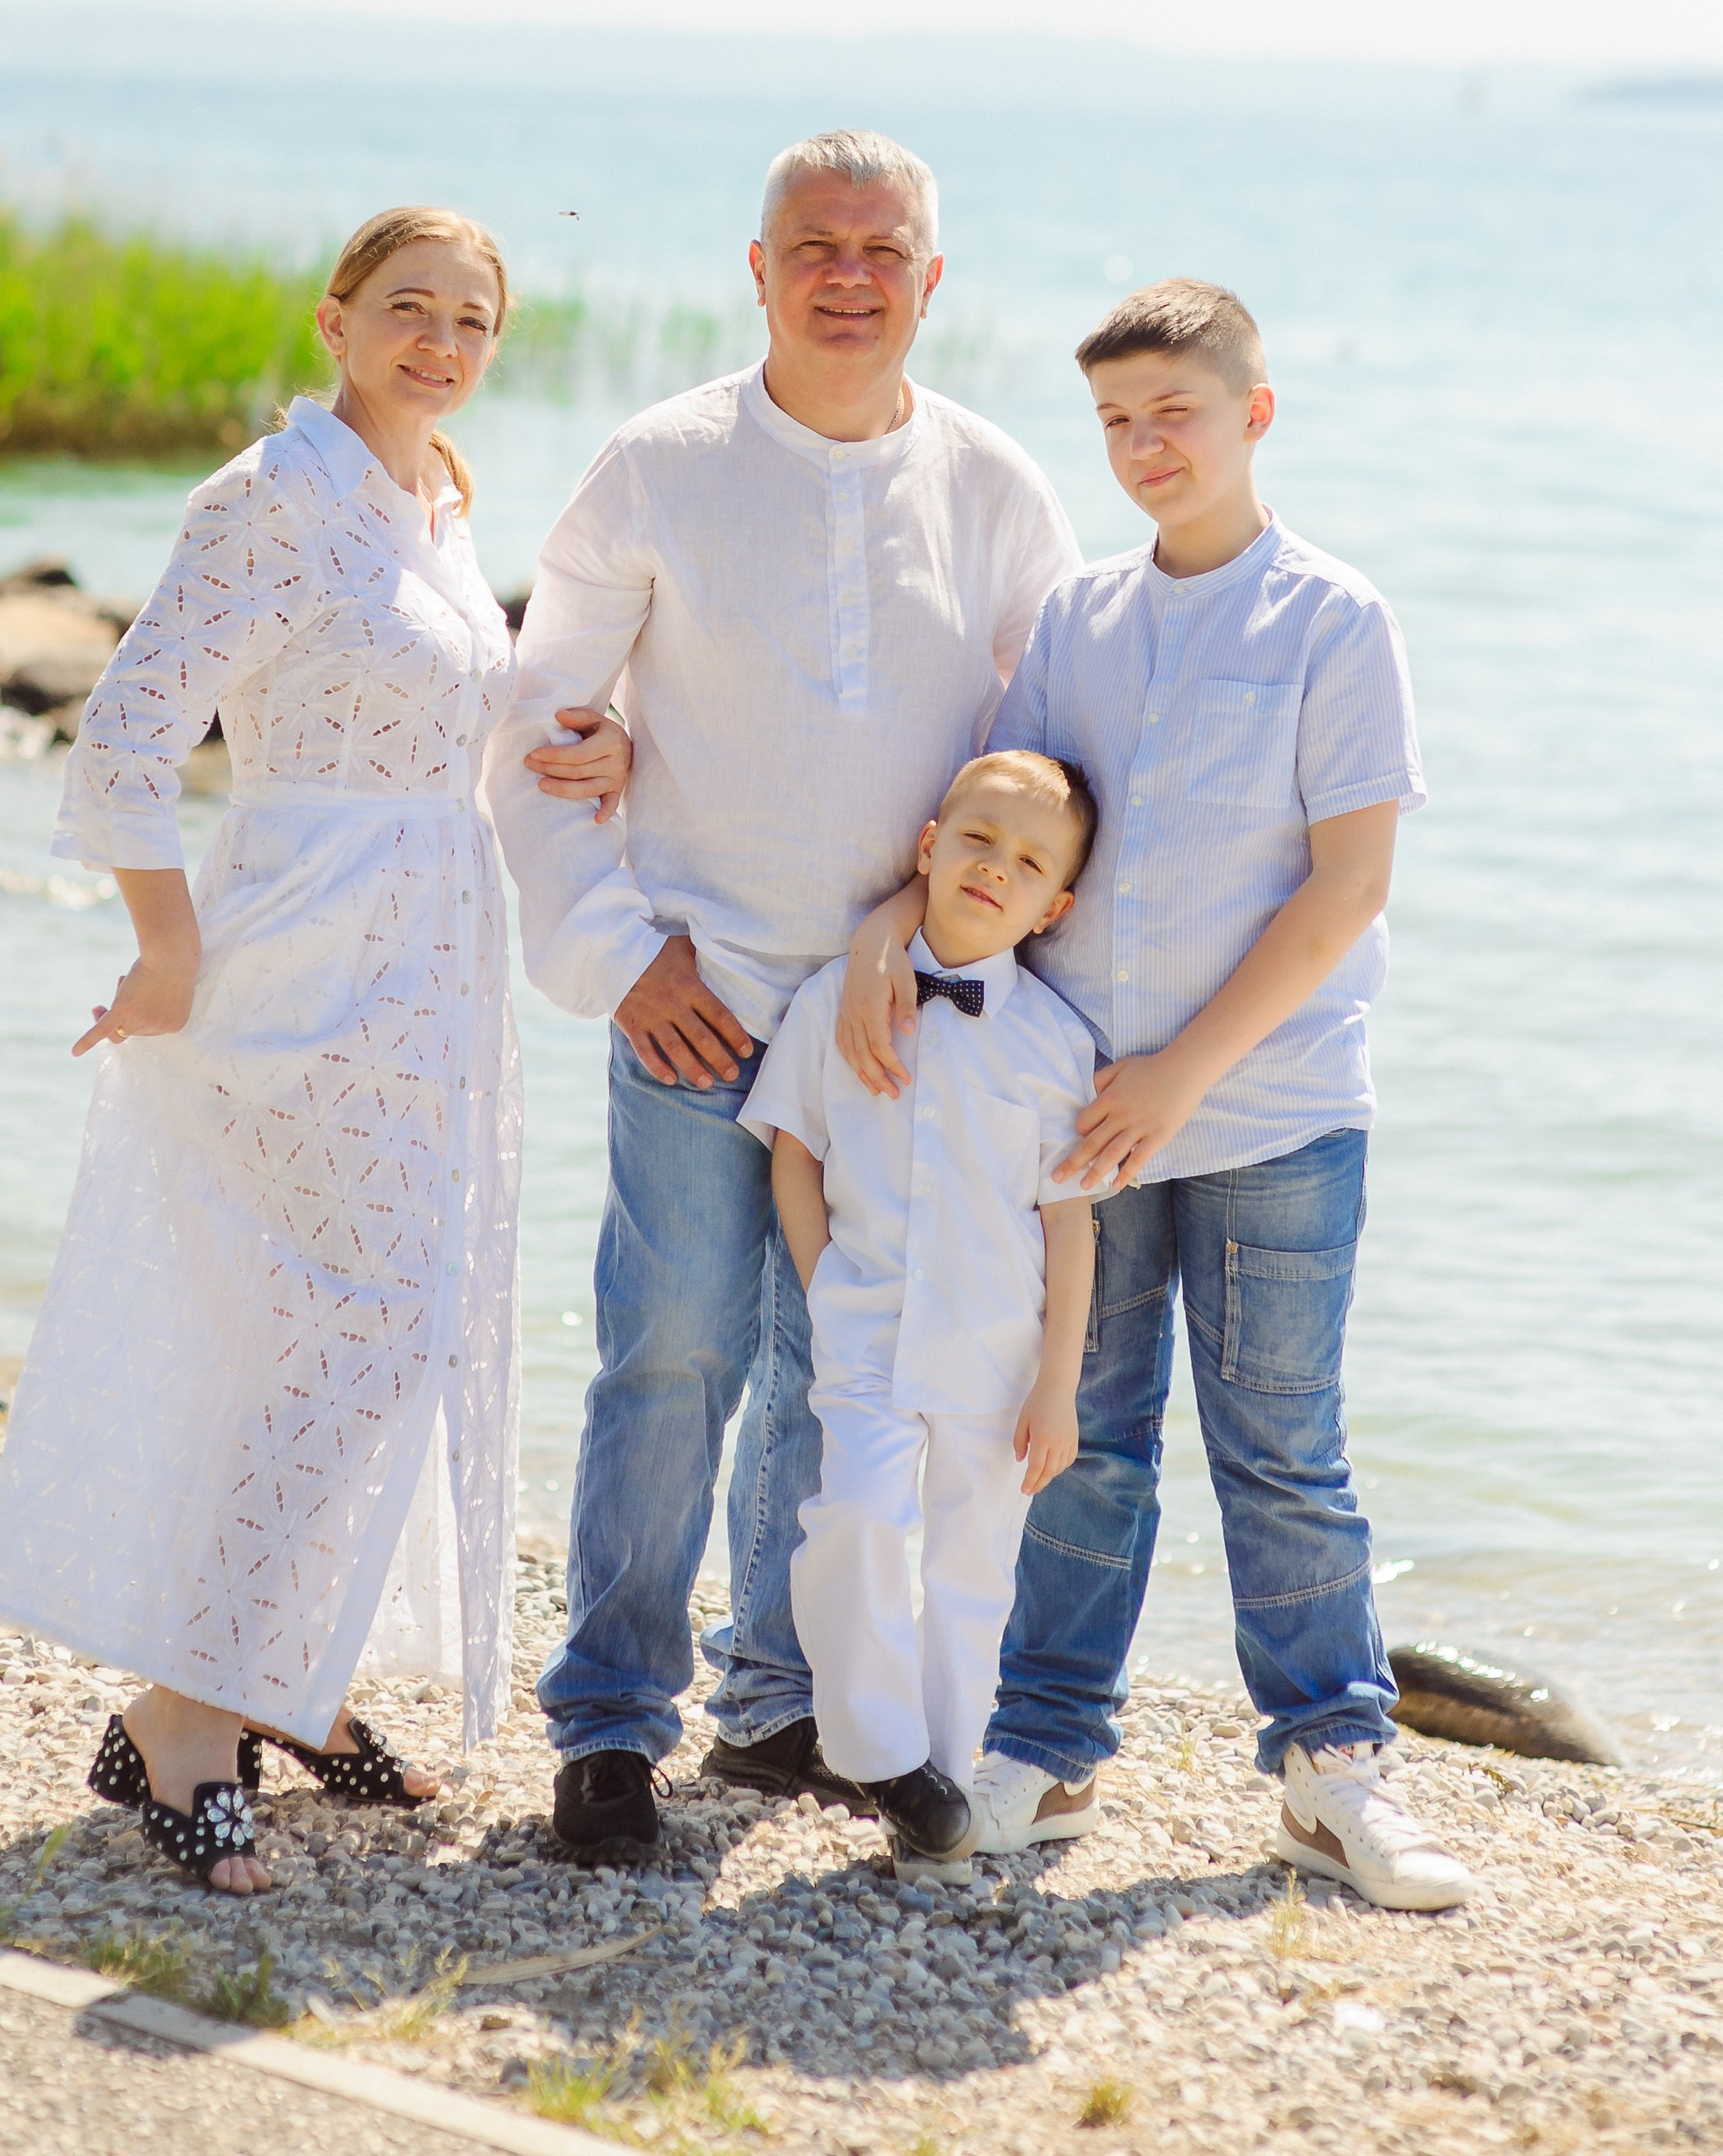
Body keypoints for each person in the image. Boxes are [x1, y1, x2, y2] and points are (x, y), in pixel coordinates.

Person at [0, 206, 625, 1893]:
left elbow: (433, 715)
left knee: (356, 1328)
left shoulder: (439, 496)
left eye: (474, 316)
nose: (444, 339)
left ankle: (283, 1669)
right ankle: (189, 1711)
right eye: (411, 307)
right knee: (366, 1330)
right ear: (337, 319)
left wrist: (573, 747)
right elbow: (125, 733)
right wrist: (169, 947)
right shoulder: (272, 499)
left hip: (429, 965)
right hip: (302, 964)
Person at [838, 278, 1471, 1911]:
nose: (1140, 448)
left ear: (1253, 415)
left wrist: (1184, 1075)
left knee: (1278, 1447)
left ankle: (1333, 1773)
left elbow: (1345, 891)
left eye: (1171, 415)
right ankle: (1041, 1757)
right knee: (1083, 1442)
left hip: (1267, 1114)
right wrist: (891, 927)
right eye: (1114, 421)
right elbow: (1005, 826)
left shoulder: (1334, 619)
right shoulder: (1079, 620)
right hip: (1081, 1123)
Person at [484, 129, 1081, 1858]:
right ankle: (608, 1720)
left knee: (851, 1361)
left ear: (931, 279)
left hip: (889, 1025)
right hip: (699, 987)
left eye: (882, 247)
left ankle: (783, 1697)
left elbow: (1035, 761)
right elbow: (541, 729)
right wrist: (619, 955)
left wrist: (915, 917)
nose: (847, 272)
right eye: (813, 244)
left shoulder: (997, 488)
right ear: (757, 268)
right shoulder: (655, 464)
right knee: (671, 1348)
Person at [741, 750, 1102, 1881]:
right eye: (978, 840)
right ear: (928, 846)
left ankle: (936, 1803)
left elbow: (1071, 1221)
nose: (996, 869)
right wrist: (823, 1288)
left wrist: (1057, 1382)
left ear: (1058, 906)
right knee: (851, 1518)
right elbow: (793, 1152)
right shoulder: (834, 1002)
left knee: (967, 1572)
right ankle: (878, 1751)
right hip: (863, 1334)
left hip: (996, 1357)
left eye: (1029, 862)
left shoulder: (1052, 1044)